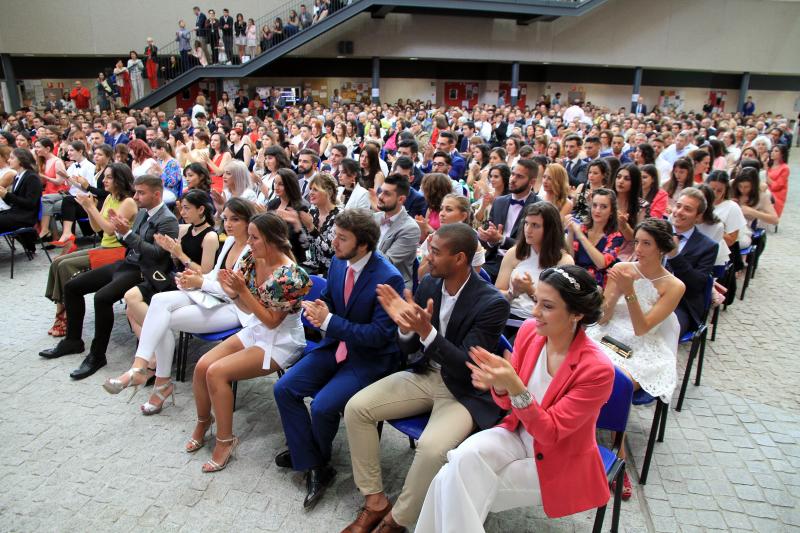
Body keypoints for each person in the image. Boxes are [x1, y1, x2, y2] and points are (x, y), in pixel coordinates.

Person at [416, 266, 614, 533]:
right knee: (455, 471)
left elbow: (550, 432)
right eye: (536, 302)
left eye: (547, 306)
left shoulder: (598, 370)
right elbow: (507, 404)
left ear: (577, 314)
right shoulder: (531, 332)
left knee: (449, 482)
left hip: (558, 459)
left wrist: (513, 385)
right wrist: (499, 386)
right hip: (515, 433)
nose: (534, 313)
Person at [341, 224, 510, 533]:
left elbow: (466, 365)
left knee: (432, 450)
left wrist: (425, 332)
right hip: (426, 373)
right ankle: (376, 501)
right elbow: (407, 347)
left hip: (463, 389)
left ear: (459, 258)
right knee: (356, 408)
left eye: (435, 251)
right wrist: (405, 327)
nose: (427, 256)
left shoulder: (492, 303)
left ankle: (398, 520)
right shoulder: (430, 283)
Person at [272, 209, 405, 510]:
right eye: (335, 235)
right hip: (337, 345)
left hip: (369, 358)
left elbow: (379, 336)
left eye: (343, 238)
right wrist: (321, 306)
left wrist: (329, 320)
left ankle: (316, 463)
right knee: (284, 388)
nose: (334, 243)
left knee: (322, 406)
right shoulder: (338, 261)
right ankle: (314, 460)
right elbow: (333, 298)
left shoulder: (388, 278)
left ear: (364, 244)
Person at [102, 199, 255, 412]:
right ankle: (140, 367)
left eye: (235, 219)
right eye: (226, 218)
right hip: (212, 295)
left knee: (161, 319)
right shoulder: (229, 242)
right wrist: (195, 277)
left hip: (236, 308)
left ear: (249, 222)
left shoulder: (252, 249)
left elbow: (237, 291)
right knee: (158, 302)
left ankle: (160, 383)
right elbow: (215, 275)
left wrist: (201, 282)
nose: (228, 224)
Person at [189, 212, 311, 472]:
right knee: (202, 365)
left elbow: (271, 321)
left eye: (254, 238)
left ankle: (225, 440)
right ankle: (203, 421)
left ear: (273, 240)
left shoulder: (291, 275)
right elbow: (246, 310)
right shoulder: (250, 257)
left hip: (282, 340)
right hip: (257, 327)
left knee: (216, 372)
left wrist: (241, 291)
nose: (249, 243)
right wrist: (233, 293)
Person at [39, 175, 179, 380]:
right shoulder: (142, 213)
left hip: (145, 271)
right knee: (72, 286)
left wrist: (128, 233)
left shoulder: (167, 219)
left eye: (141, 192)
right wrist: (123, 234)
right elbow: (130, 245)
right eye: (136, 191)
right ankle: (73, 341)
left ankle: (97, 355)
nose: (136, 196)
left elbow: (158, 255)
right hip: (127, 263)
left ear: (156, 194)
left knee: (102, 298)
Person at [586, 218, 685, 498]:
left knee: (616, 382)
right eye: (637, 241)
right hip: (607, 334)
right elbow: (602, 318)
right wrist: (613, 292)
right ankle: (580, 435)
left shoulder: (674, 286)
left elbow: (643, 328)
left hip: (643, 345)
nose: (638, 249)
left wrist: (629, 292)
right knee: (580, 365)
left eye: (646, 244)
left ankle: (618, 459)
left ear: (661, 249)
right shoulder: (621, 268)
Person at [45, 163, 137, 337]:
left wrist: (92, 207)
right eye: (105, 176)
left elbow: (110, 229)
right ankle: (61, 309)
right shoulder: (110, 198)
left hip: (118, 251)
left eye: (110, 177)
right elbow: (96, 228)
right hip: (105, 247)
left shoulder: (128, 202)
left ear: (120, 180)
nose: (105, 180)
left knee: (65, 265)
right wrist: (88, 208)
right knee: (57, 261)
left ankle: (64, 317)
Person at [122, 189, 220, 340]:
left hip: (194, 286)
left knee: (132, 301)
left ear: (201, 209)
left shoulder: (210, 236)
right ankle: (156, 351)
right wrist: (172, 252)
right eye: (181, 208)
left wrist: (180, 254)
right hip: (176, 278)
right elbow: (178, 263)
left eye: (187, 208)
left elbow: (205, 273)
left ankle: (161, 342)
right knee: (131, 307)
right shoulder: (186, 229)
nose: (183, 212)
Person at [495, 202, 574, 332]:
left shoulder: (564, 261)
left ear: (549, 230)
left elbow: (560, 306)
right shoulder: (514, 253)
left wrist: (530, 290)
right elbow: (497, 293)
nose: (528, 230)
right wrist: (512, 293)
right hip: (507, 316)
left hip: (540, 324)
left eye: (535, 225)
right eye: (526, 223)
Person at [666, 188, 718, 335]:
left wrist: (675, 256)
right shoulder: (659, 232)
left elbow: (697, 284)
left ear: (698, 216)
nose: (679, 212)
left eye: (687, 209)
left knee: (663, 332)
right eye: (678, 205)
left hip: (681, 304)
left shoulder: (708, 246)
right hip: (650, 295)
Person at [477, 160, 540, 280]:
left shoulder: (539, 206)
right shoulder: (499, 202)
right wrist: (488, 237)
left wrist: (502, 239)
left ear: (532, 182)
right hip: (494, 261)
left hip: (522, 264)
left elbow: (535, 246)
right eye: (513, 174)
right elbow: (490, 237)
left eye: (519, 176)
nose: (513, 179)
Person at [567, 188, 624, 288]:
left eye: (604, 207)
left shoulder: (615, 237)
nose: (597, 210)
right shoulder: (581, 228)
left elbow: (601, 263)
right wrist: (571, 233)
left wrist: (580, 235)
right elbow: (570, 259)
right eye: (594, 205)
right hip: (574, 278)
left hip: (596, 285)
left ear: (611, 211)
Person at [418, 194, 485, 278]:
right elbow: (421, 276)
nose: (442, 214)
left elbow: (467, 283)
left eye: (449, 210)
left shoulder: (473, 244)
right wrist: (432, 253)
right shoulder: (434, 237)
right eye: (441, 209)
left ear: (463, 216)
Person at [374, 174, 421, 290]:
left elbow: (387, 263)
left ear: (401, 199)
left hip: (393, 287)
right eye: (381, 191)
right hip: (369, 279)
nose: (380, 196)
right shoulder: (374, 218)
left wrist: (360, 243)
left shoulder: (410, 228)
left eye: (387, 194)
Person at [0, 148, 43, 253]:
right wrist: (3, 195)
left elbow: (30, 204)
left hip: (25, 217)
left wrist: (7, 194)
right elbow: (13, 202)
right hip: (15, 213)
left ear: (21, 160)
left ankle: (29, 242)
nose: (8, 160)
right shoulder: (18, 176)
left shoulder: (32, 177)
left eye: (12, 158)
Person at [298, 173, 340, 276]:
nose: (310, 193)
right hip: (309, 268)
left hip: (329, 272)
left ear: (328, 192)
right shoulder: (312, 211)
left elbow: (329, 252)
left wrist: (311, 228)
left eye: (315, 190)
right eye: (310, 189)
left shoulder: (339, 217)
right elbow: (304, 244)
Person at [613, 163, 647, 261]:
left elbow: (636, 239)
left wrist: (624, 226)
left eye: (627, 179)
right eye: (618, 177)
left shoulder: (642, 206)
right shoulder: (607, 199)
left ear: (634, 182)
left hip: (626, 252)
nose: (621, 181)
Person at [766, 143, 789, 217]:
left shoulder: (785, 168)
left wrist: (768, 180)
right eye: (772, 151)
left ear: (782, 154)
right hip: (766, 191)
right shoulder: (768, 165)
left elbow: (778, 185)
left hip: (777, 196)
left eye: (776, 151)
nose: (772, 152)